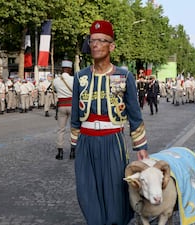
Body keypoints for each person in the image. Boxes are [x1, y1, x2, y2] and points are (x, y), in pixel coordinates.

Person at [70, 20, 148, 225]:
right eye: (92, 40)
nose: (95, 45)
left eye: (101, 41)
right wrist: (74, 143)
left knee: (114, 189)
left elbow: (134, 114)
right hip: (86, 141)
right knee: (87, 189)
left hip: (112, 140)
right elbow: (75, 116)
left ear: (111, 46)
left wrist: (140, 147)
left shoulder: (124, 76)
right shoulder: (81, 77)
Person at [53, 60, 74, 160]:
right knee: (73, 129)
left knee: (61, 130)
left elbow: (55, 90)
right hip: (72, 105)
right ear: (70, 69)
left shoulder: (56, 80)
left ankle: (60, 152)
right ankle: (73, 151)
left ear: (62, 69)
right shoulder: (73, 79)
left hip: (61, 106)